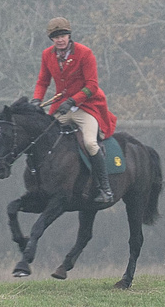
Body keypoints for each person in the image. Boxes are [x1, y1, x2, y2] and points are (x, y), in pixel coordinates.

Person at [32, 17, 117, 204]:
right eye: (55, 37)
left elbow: (92, 86)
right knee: (41, 136)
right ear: (51, 39)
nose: (60, 39)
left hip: (87, 106)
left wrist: (72, 100)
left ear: (69, 35)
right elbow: (42, 81)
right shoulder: (47, 55)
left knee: (89, 143)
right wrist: (36, 99)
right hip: (61, 108)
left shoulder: (85, 53)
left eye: (62, 35)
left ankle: (105, 189)